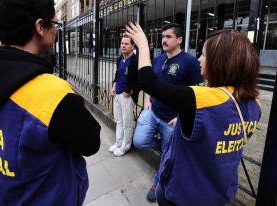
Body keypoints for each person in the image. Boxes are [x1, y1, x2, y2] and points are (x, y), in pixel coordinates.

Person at [0, 0, 101, 206]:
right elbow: (91, 143)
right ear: (39, 27)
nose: (56, 30)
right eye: (54, 24)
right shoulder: (53, 93)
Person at [125, 22, 261, 206]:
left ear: (219, 61)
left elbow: (149, 83)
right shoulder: (255, 103)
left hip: (184, 192)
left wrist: (142, 45)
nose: (199, 59)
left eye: (204, 54)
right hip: (219, 191)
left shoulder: (200, 98)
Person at [132, 23, 202, 202]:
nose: (164, 40)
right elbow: (151, 82)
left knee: (167, 157)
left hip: (172, 120)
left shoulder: (190, 62)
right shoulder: (159, 59)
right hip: (153, 111)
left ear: (179, 40)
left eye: (168, 36)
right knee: (139, 141)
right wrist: (147, 99)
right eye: (163, 36)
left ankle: (158, 182)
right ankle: (167, 148)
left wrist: (181, 117)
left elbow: (196, 93)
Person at [109, 35, 139, 157]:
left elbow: (140, 81)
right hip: (118, 94)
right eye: (122, 43)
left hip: (127, 96)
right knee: (119, 121)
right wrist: (113, 86)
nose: (123, 46)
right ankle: (119, 142)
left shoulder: (136, 61)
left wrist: (130, 91)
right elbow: (117, 75)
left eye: (126, 44)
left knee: (127, 123)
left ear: (133, 46)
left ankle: (126, 146)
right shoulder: (120, 58)